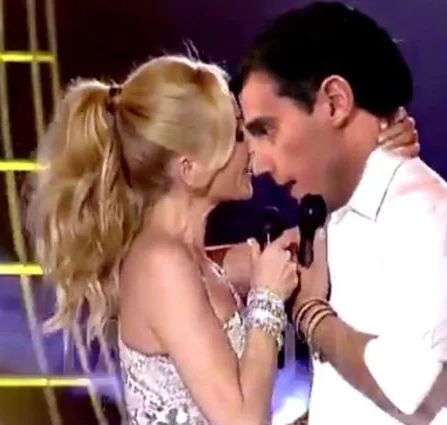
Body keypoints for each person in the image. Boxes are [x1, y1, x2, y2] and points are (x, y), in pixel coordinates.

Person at [25, 54, 419, 425]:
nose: (253, 149)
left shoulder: (198, 259)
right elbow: (241, 420)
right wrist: (267, 296)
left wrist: (371, 157)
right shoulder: (161, 264)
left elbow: (308, 245)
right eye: (236, 135)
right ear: (190, 168)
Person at [233, 2, 447, 425]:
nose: (258, 164)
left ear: (335, 102)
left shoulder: (420, 210)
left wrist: (311, 315)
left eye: (266, 130)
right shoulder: (337, 214)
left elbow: (403, 381)